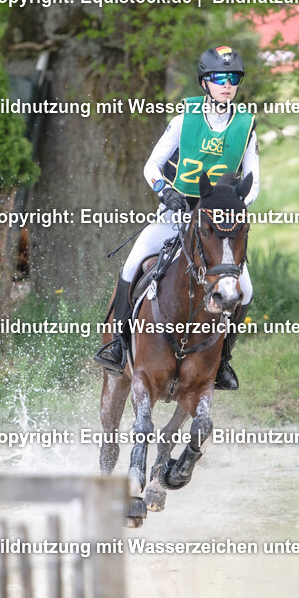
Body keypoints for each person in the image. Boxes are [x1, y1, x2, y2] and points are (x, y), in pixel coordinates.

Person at [95, 45, 259, 389]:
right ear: (205, 83)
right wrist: (165, 191)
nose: (227, 85)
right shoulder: (184, 119)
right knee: (132, 266)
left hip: (217, 224)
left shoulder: (246, 125)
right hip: (176, 213)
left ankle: (223, 360)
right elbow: (151, 166)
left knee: (245, 290)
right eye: (219, 79)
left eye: (233, 79)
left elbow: (253, 181)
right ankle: (118, 345)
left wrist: (232, 205)